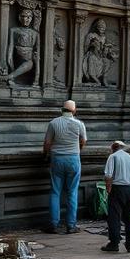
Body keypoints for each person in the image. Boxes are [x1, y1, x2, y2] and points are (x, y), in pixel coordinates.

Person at [43, 100, 87, 234]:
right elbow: (83, 141)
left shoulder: (53, 123)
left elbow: (47, 143)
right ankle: (71, 225)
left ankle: (53, 224)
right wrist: (78, 149)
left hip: (57, 159)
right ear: (74, 111)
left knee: (55, 192)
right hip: (73, 159)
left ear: (62, 110)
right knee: (72, 192)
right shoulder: (79, 124)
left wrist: (45, 155)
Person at [101, 140, 130, 254]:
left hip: (117, 189)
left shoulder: (113, 157)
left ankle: (114, 243)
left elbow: (108, 176)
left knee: (114, 216)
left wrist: (108, 189)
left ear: (114, 148)